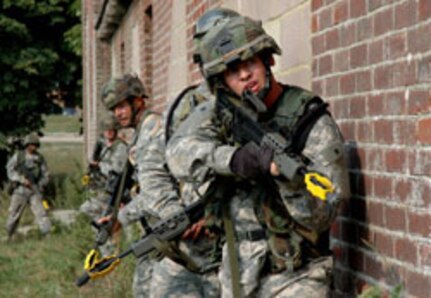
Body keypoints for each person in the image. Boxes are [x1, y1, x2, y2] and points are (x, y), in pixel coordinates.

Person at [166, 13, 350, 297]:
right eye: (232, 70)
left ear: (268, 60)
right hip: (236, 273)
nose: (243, 75)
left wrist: (286, 178)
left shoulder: (309, 120)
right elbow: (178, 153)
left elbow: (324, 214)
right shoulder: (219, 112)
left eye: (250, 62)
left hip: (296, 274)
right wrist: (234, 159)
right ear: (222, 82)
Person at [100, 74, 162, 297]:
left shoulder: (153, 131)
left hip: (169, 230)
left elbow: (157, 193)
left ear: (138, 101)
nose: (118, 113)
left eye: (122, 106)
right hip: (154, 232)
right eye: (114, 108)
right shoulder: (140, 134)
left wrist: (121, 219)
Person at [6, 132, 51, 239]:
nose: (34, 147)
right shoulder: (19, 156)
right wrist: (21, 179)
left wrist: (41, 184)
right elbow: (10, 170)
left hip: (34, 190)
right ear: (27, 145)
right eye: (32, 144)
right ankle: (9, 235)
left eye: (36, 145)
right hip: (20, 190)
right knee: (14, 214)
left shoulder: (39, 158)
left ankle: (47, 234)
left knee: (41, 214)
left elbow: (46, 174)